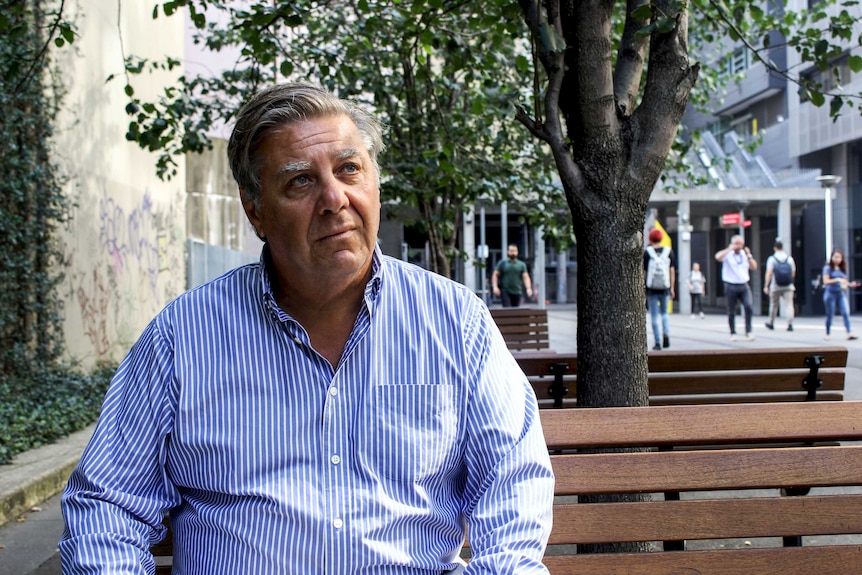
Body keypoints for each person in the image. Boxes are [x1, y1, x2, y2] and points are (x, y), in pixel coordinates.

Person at [59, 83, 554, 574]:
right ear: (256, 211)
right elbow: (107, 503)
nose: (333, 198)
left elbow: (512, 480)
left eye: (349, 169)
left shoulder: (454, 322)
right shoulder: (183, 337)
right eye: (300, 181)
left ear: (374, 182)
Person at [715, 234, 757, 341]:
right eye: (737, 244)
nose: (739, 246)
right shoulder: (728, 254)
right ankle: (732, 332)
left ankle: (749, 331)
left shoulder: (745, 254)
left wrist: (749, 255)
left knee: (748, 306)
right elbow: (717, 257)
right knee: (731, 310)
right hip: (731, 285)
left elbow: (754, 267)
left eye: (741, 244)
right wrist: (729, 249)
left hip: (744, 285)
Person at [644, 228, 676, 350]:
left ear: (650, 238)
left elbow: (644, 272)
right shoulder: (669, 252)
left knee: (654, 315)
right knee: (664, 313)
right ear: (661, 238)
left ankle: (657, 342)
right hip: (665, 287)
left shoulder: (647, 253)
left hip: (652, 288)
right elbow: (672, 271)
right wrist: (672, 288)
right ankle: (666, 334)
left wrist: (643, 287)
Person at [822, 248, 859, 340]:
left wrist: (850, 284)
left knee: (845, 312)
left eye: (839, 257)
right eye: (835, 257)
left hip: (840, 293)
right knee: (830, 314)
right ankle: (828, 333)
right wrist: (837, 279)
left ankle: (849, 332)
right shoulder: (827, 268)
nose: (837, 259)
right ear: (832, 257)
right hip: (830, 293)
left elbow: (844, 282)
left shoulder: (843, 269)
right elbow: (825, 281)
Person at [763, 239, 796, 332]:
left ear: (775, 248)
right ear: (783, 247)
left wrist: (766, 285)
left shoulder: (772, 259)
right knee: (789, 305)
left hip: (775, 285)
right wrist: (789, 281)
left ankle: (771, 322)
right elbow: (793, 272)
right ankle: (790, 324)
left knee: (773, 305)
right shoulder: (789, 259)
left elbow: (769, 273)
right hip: (788, 286)